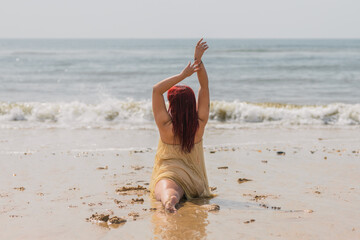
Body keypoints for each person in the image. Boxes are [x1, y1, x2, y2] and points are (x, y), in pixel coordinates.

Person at [150, 39, 212, 213]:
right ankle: (173, 197)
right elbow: (204, 86)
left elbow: (156, 90)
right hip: (195, 182)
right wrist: (198, 60)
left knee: (167, 185)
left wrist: (183, 75)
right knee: (177, 186)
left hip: (170, 173)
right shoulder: (199, 125)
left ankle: (170, 200)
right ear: (192, 103)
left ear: (172, 105)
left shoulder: (165, 126)